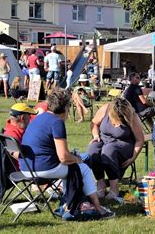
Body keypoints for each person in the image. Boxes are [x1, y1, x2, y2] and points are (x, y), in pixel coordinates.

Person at [20, 89, 114, 219]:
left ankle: (68, 204)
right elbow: (63, 157)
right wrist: (77, 159)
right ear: (66, 107)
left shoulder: (38, 118)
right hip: (43, 169)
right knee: (84, 169)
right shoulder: (56, 122)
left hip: (26, 168)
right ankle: (98, 209)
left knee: (75, 167)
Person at [88, 97, 145, 200]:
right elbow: (94, 123)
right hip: (104, 140)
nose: (120, 117)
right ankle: (101, 184)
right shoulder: (105, 109)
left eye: (122, 116)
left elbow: (140, 139)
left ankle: (114, 188)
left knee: (108, 150)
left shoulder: (132, 116)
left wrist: (133, 157)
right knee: (93, 149)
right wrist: (96, 136)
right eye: (118, 116)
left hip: (123, 143)